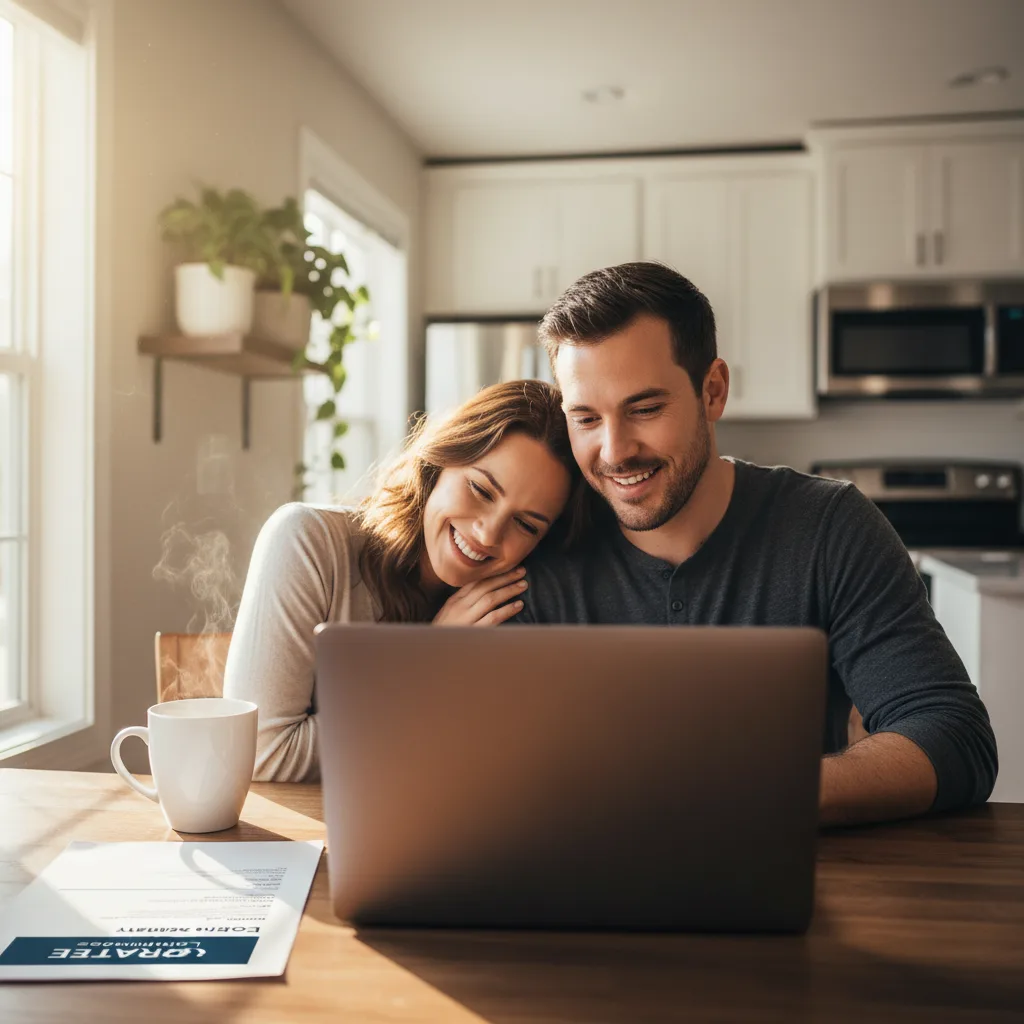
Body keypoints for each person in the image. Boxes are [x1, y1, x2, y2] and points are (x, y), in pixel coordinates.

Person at [517, 262, 997, 827]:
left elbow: (953, 734)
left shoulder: (829, 527)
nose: (615, 450)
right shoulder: (539, 544)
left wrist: (760, 794)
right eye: (585, 418)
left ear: (713, 390)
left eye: (645, 409)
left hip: (798, 881)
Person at [224, 379, 586, 782]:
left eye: (525, 524)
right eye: (481, 490)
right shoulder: (307, 541)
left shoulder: (513, 609)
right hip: (301, 836)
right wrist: (425, 663)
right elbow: (263, 755)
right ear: (440, 461)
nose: (488, 535)